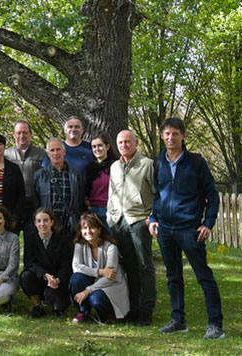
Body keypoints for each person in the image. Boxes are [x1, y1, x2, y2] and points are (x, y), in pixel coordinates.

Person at [149, 117, 224, 339]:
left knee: (204, 277)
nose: (171, 138)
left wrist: (208, 223)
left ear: (183, 136)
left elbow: (212, 194)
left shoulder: (196, 162)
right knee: (173, 277)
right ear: (162, 136)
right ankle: (178, 320)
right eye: (167, 134)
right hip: (165, 230)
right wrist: (153, 217)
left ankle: (216, 325)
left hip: (190, 229)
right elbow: (157, 195)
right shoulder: (158, 163)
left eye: (175, 133)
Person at [107, 130, 156, 325]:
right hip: (118, 222)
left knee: (144, 265)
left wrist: (151, 217)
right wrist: (111, 216)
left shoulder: (147, 165)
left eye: (128, 142)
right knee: (129, 266)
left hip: (138, 220)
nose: (124, 145)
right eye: (120, 142)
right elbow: (111, 192)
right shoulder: (115, 167)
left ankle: (147, 308)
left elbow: (157, 192)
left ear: (136, 143)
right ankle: (133, 307)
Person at [69, 213, 129, 324]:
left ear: (99, 230)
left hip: (112, 285)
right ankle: (83, 311)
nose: (88, 231)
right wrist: (99, 271)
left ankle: (109, 314)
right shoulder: (79, 245)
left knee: (95, 299)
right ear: (81, 231)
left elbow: (110, 277)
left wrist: (88, 290)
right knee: (76, 279)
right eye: (85, 228)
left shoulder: (111, 247)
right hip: (95, 281)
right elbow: (76, 267)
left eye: (92, 227)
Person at [20, 208, 73, 318]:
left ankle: (56, 302)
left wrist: (57, 279)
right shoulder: (31, 238)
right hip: (40, 278)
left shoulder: (62, 239)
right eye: (39, 221)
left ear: (51, 222)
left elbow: (66, 265)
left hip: (57, 280)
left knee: (58, 307)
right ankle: (38, 306)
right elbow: (29, 262)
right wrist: (45, 275)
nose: (42, 224)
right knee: (25, 276)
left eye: (45, 220)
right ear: (35, 223)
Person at [34, 138, 85, 235]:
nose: (55, 153)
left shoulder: (75, 174)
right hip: (49, 224)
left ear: (64, 152)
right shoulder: (39, 175)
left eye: (58, 149)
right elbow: (36, 201)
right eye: (52, 150)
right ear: (48, 154)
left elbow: (80, 198)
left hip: (70, 224)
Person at [5, 120, 46, 226]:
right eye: (19, 133)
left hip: (34, 204)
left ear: (30, 134)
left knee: (32, 237)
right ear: (14, 135)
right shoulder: (6, 155)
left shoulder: (41, 154)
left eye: (25, 132)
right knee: (11, 236)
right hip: (12, 205)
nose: (21, 135)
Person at [84, 133, 118, 226]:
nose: (97, 149)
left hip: (111, 211)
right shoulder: (89, 168)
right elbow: (85, 190)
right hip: (93, 211)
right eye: (94, 146)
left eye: (100, 145)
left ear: (107, 147)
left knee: (112, 240)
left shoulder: (116, 166)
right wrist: (89, 207)